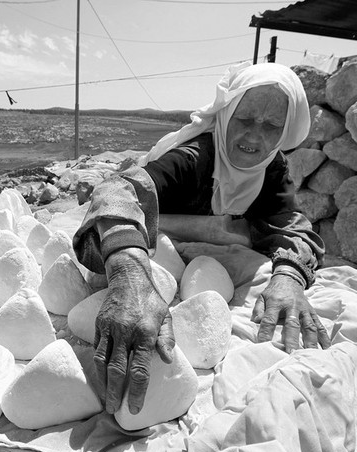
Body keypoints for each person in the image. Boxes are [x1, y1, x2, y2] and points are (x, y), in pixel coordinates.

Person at [72, 62, 331, 417]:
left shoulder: (271, 168)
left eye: (272, 126)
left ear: (285, 132)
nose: (255, 137)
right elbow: (119, 189)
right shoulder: (194, 157)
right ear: (225, 114)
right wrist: (128, 275)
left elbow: (293, 225)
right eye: (244, 120)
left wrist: (289, 276)